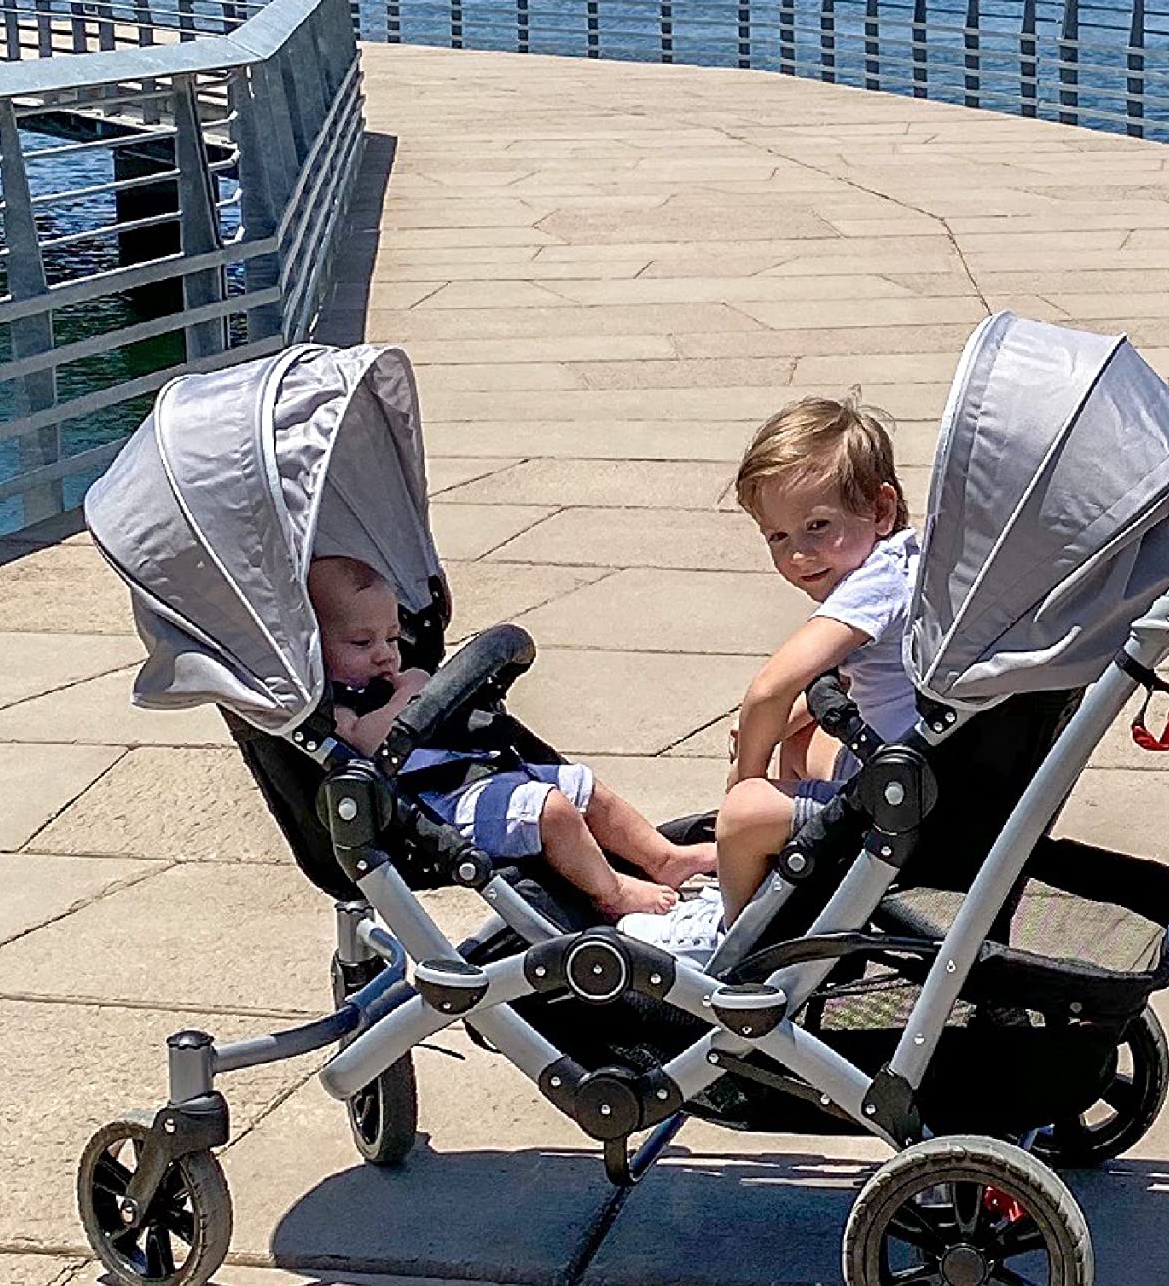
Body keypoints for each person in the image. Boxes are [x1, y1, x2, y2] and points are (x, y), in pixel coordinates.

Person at [309, 553, 711, 924]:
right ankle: (613, 892)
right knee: (553, 812)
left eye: (392, 639)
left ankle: (663, 858)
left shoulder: (387, 677)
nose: (385, 654)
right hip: (430, 805)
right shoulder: (334, 701)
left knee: (582, 787)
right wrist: (408, 695)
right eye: (363, 643)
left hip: (472, 771)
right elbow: (363, 742)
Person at [713, 396, 924, 916]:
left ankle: (743, 940)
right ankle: (799, 881)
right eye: (778, 536)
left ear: (880, 509)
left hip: (903, 806)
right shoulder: (911, 558)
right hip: (918, 770)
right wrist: (780, 725)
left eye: (818, 527)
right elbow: (853, 682)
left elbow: (769, 687)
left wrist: (748, 782)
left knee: (740, 816)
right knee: (802, 729)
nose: (798, 555)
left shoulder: (874, 587)